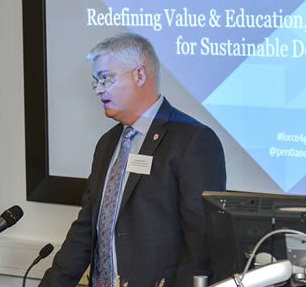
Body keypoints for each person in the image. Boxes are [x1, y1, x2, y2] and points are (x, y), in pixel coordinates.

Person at [39, 33, 226, 287]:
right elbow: (86, 230)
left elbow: (200, 243)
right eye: (95, 81)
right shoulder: (107, 143)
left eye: (106, 78)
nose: (99, 90)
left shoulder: (193, 140)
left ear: (139, 76)